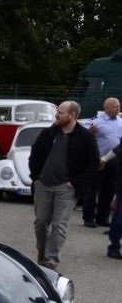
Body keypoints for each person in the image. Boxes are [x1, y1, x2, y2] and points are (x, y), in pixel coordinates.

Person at [28, 100, 99, 270]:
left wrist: (74, 183)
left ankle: (51, 260)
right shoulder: (48, 133)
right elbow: (34, 155)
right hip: (43, 185)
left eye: (60, 112)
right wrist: (36, 177)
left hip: (66, 189)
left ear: (72, 115)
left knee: (60, 224)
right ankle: (42, 253)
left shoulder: (85, 137)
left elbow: (92, 164)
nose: (56, 115)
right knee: (41, 222)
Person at [81, 96, 122, 227]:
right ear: (106, 108)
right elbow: (81, 135)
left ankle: (102, 218)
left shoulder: (121, 121)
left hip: (114, 161)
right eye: (115, 106)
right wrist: (90, 132)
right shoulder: (95, 121)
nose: (118, 108)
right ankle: (88, 217)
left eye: (119, 106)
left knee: (109, 190)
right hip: (98, 160)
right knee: (92, 189)